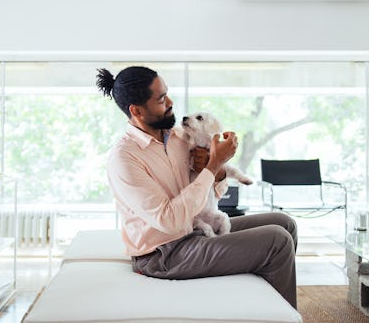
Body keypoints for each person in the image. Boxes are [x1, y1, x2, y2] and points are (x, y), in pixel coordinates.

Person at [96, 66, 298, 309]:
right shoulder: (125, 158)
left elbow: (210, 194)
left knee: (284, 223)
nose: (170, 102)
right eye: (161, 99)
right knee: (277, 240)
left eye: (167, 94)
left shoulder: (180, 137)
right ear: (136, 110)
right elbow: (168, 220)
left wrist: (219, 170)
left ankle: (264, 310)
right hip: (165, 253)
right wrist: (212, 167)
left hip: (195, 228)